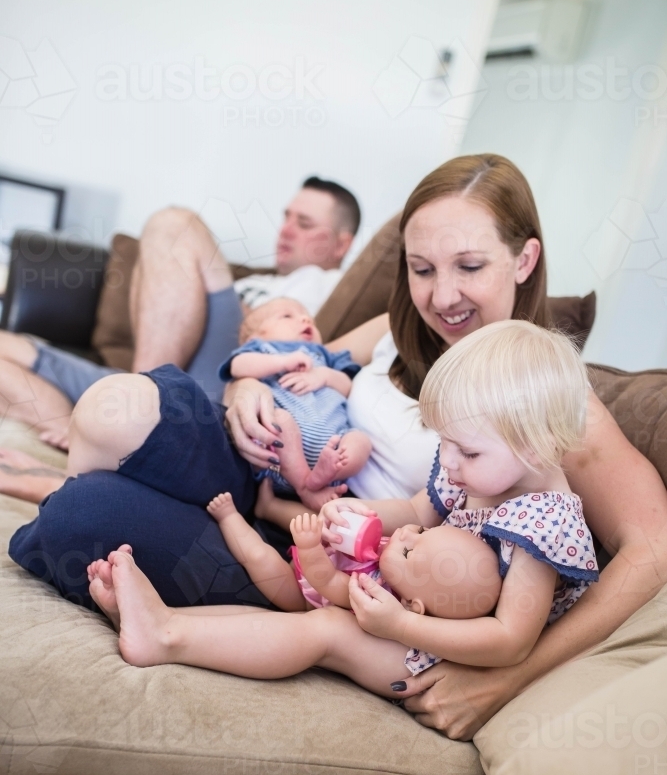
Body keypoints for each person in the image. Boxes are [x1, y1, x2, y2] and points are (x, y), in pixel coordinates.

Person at [8, 154, 667, 740]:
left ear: (522, 260)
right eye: (419, 268)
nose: (441, 296)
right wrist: (242, 394)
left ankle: (82, 509)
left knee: (78, 522)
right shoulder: (396, 326)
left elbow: (652, 548)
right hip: (271, 478)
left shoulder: (546, 407)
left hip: (319, 558)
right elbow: (289, 358)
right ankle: (66, 475)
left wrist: (511, 675)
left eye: (469, 266)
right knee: (114, 405)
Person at [86, 321, 599, 698]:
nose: (450, 462)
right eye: (444, 443)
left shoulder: (545, 523)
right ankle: (165, 619)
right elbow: (416, 511)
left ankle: (166, 638)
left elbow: (509, 641)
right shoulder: (480, 469)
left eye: (467, 451)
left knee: (326, 631)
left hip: (439, 657)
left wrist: (400, 626)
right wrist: (354, 511)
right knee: (303, 602)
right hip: (405, 609)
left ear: (538, 446)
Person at [0, 175, 361, 461]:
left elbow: (310, 352)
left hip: (217, 383)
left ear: (341, 245)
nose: (286, 229)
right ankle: (75, 428)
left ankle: (132, 411)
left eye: (305, 223)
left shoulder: (327, 285)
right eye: (286, 217)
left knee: (174, 224)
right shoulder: (259, 281)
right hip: (158, 378)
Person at [221, 297, 372, 509]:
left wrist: (323, 375)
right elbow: (237, 366)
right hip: (283, 461)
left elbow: (348, 387)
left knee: (361, 441)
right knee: (279, 420)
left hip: (335, 444)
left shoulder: (326, 357)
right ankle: (304, 484)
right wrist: (281, 362)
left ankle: (326, 474)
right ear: (255, 337)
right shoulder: (262, 349)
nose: (305, 319)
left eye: (308, 317)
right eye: (287, 316)